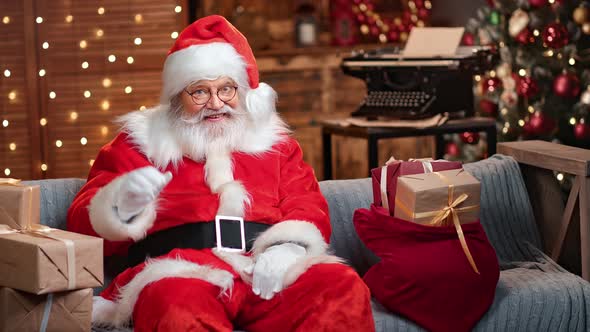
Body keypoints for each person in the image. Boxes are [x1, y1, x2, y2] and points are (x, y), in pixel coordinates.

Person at [67, 15, 374, 331]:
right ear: (176, 98)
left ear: (243, 92)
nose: (216, 103)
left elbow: (306, 202)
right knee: (177, 307)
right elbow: (82, 223)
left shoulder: (275, 145)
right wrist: (120, 206)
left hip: (263, 268)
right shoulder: (140, 144)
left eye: (227, 89)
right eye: (199, 92)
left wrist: (289, 247)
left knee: (339, 286)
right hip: (178, 271)